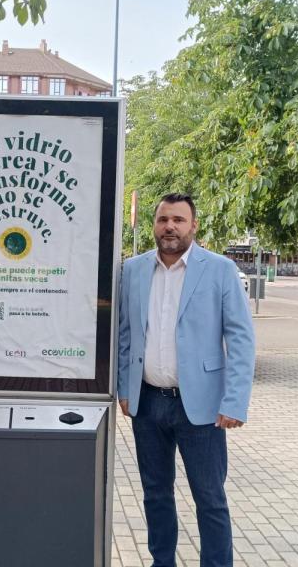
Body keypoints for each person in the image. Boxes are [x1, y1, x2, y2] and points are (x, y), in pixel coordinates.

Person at [117, 193, 255, 567]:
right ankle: (162, 562)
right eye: (163, 219)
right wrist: (124, 387)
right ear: (154, 225)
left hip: (202, 407)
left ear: (193, 225)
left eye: (178, 220)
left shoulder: (220, 270)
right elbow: (125, 334)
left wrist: (234, 401)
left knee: (210, 498)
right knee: (155, 494)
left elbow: (241, 339)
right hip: (147, 404)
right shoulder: (133, 270)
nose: (170, 227)